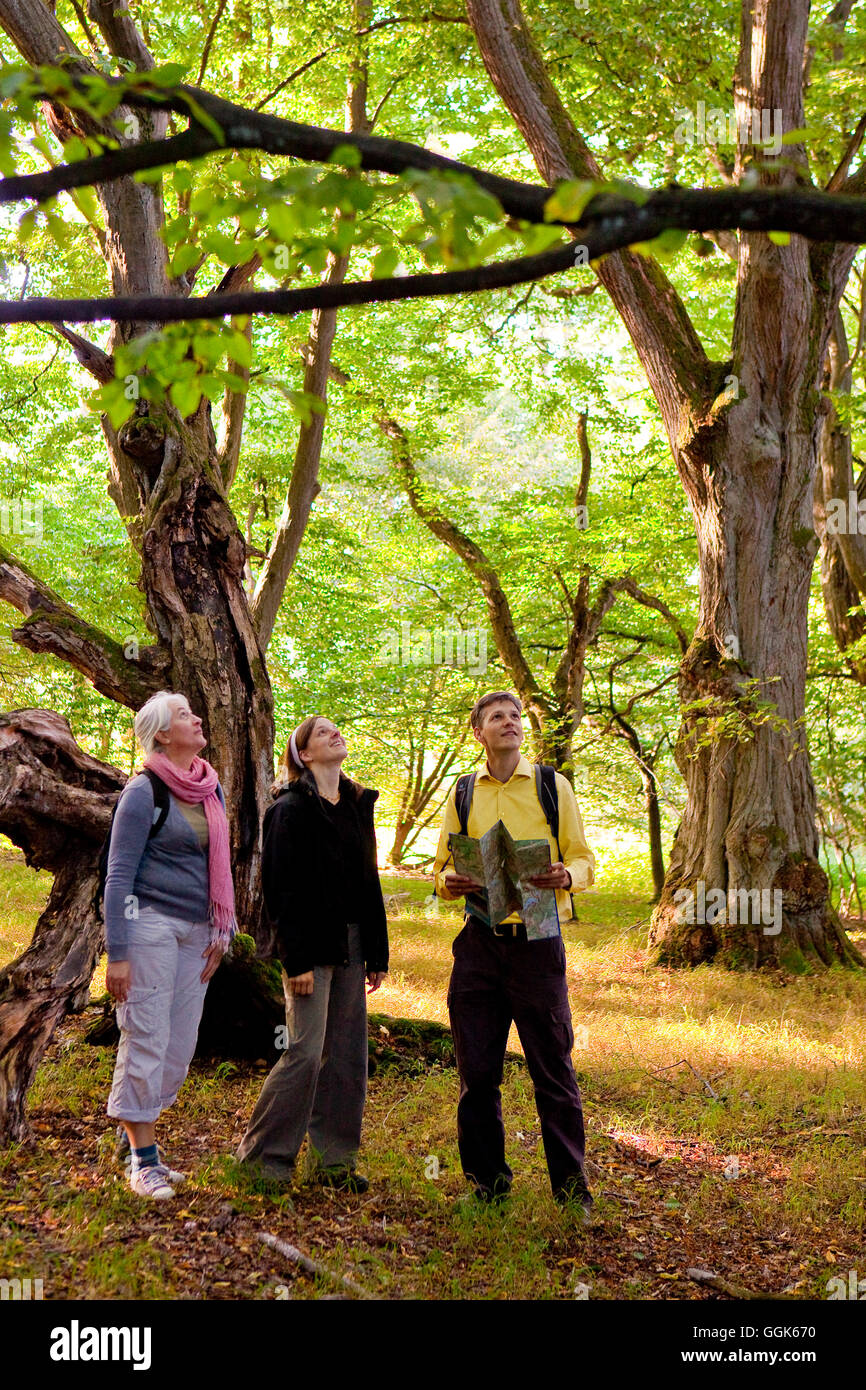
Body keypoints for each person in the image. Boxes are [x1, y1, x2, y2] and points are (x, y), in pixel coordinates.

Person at [432, 690, 596, 1216]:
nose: (509, 723)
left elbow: (582, 858)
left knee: (553, 1071)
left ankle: (572, 1194)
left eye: (516, 717)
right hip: (478, 946)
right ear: (478, 732)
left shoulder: (552, 785)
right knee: (477, 1074)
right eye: (497, 717)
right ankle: (487, 1189)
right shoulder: (462, 793)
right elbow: (439, 870)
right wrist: (448, 883)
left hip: (538, 946)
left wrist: (567, 876)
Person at [236, 715, 389, 1193]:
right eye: (321, 732)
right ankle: (262, 1161)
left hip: (352, 943)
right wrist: (294, 959)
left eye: (336, 728)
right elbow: (280, 890)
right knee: (303, 1052)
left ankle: (334, 1165)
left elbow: (369, 882)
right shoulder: (289, 809)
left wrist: (377, 952)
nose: (334, 733)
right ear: (304, 755)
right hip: (310, 947)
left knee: (346, 1055)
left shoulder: (357, 804)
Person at [104, 691, 235, 1200]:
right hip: (149, 925)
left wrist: (221, 933)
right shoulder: (143, 792)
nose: (197, 718)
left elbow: (219, 867)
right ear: (162, 733)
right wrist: (118, 954)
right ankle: (145, 1162)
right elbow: (118, 877)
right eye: (184, 714)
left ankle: (131, 1132)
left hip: (199, 932)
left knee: (179, 1050)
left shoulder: (209, 787)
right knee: (146, 1037)